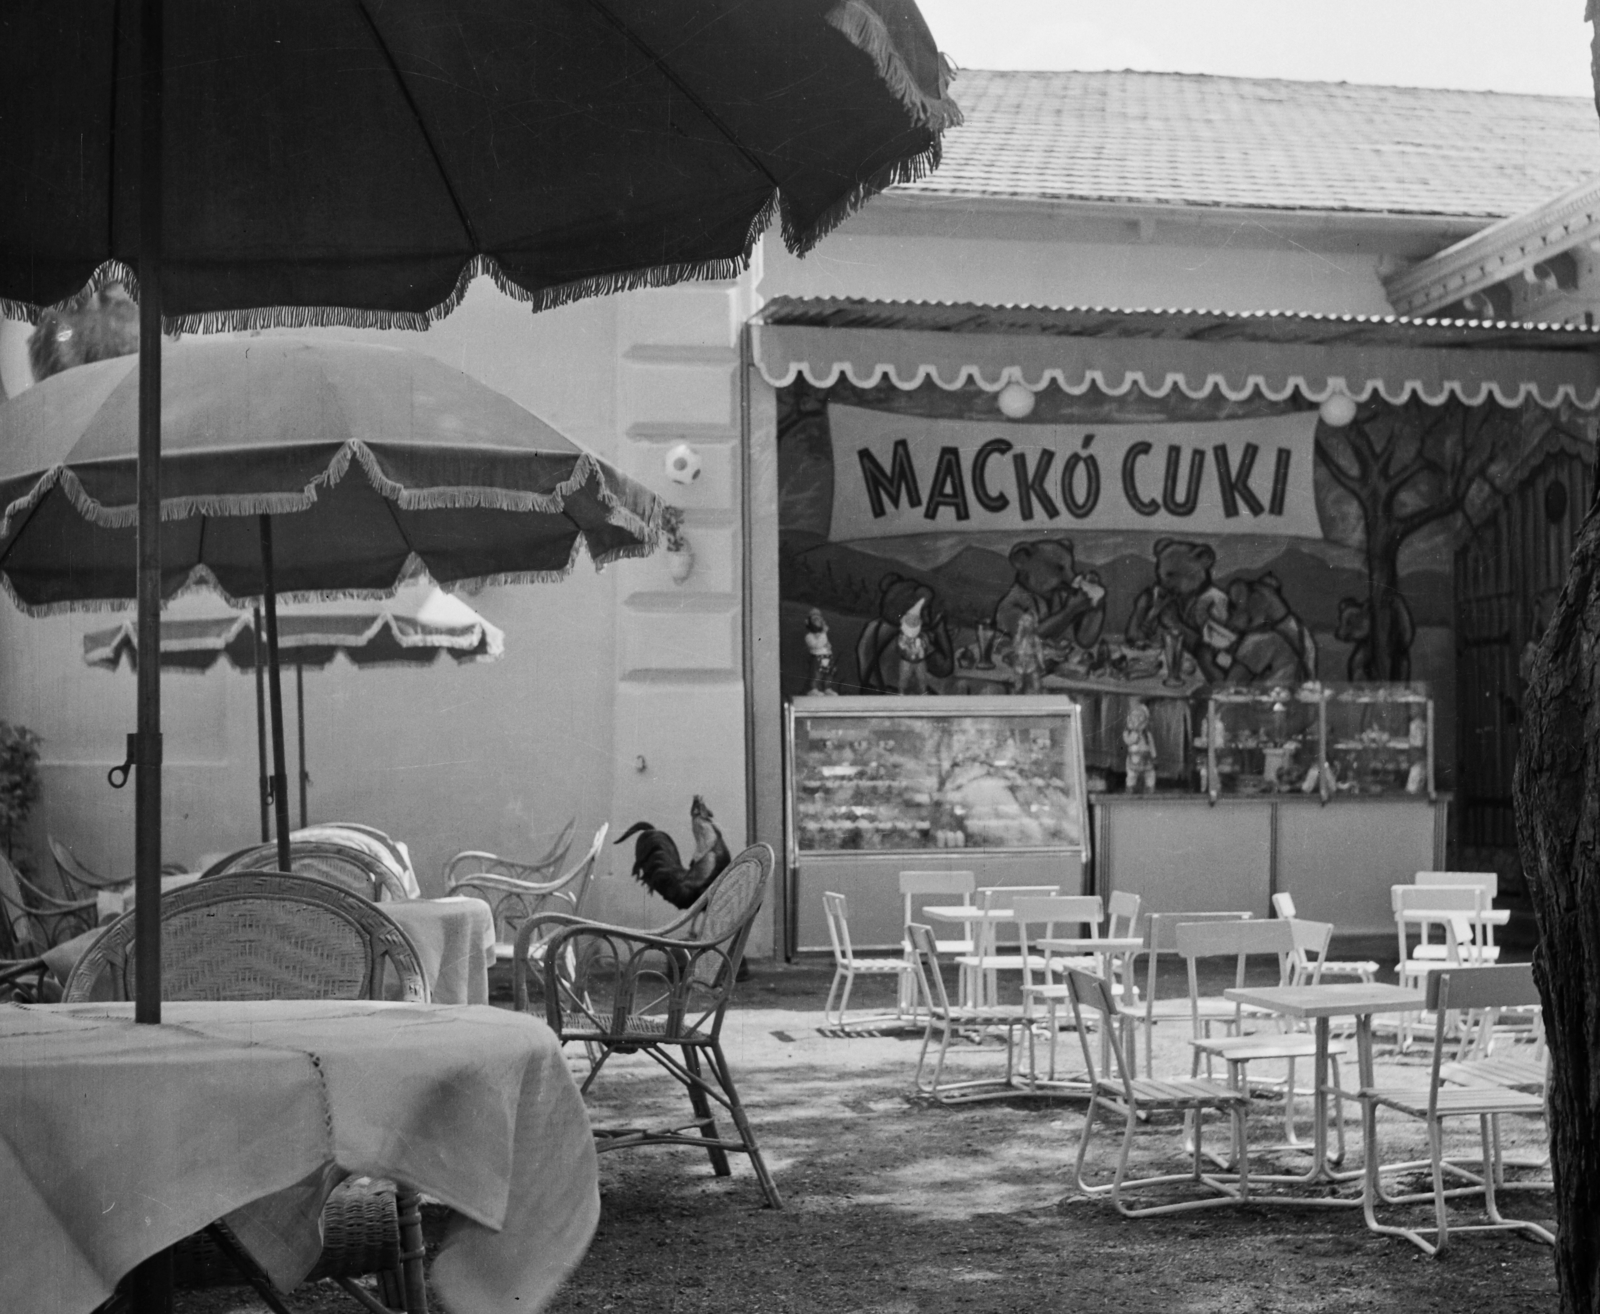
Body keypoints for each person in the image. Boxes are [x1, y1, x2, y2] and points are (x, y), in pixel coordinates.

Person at [1123, 699, 1157, 793]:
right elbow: (1129, 741)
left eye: (1140, 717)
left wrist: (1154, 756)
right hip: (1134, 757)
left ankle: (1150, 788)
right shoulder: (1128, 733)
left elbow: (1152, 746)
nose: (1137, 720)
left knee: (1150, 774)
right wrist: (1135, 733)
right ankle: (1130, 788)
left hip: (1146, 758)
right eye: (1135, 717)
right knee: (1132, 774)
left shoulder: (1147, 734)